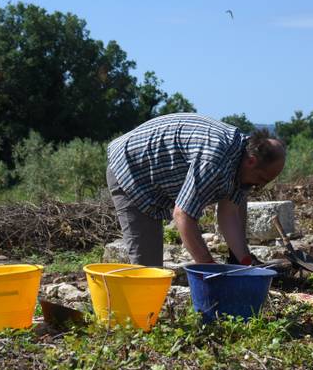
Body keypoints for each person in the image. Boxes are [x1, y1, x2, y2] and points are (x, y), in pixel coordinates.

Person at [106, 113, 286, 267]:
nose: (258, 186)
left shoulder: (241, 162)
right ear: (252, 161)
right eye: (261, 179)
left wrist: (246, 262)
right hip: (130, 169)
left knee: (152, 269)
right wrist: (209, 268)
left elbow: (229, 215)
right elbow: (182, 215)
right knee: (148, 267)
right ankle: (124, 306)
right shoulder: (214, 160)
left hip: (156, 175)